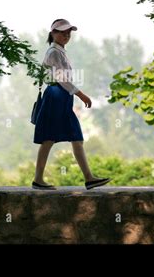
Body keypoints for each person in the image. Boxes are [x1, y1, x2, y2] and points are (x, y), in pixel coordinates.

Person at [32, 18, 111, 190]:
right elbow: (62, 79)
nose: (66, 35)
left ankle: (89, 178)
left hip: (63, 97)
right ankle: (38, 179)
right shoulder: (53, 52)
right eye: (62, 32)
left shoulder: (59, 51)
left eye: (69, 32)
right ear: (53, 33)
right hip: (56, 95)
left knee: (76, 137)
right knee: (49, 138)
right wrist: (81, 95)